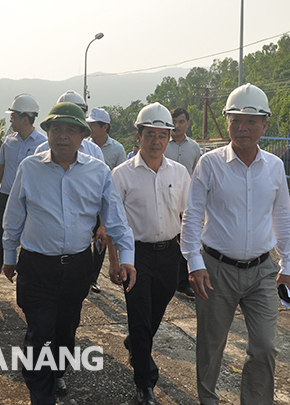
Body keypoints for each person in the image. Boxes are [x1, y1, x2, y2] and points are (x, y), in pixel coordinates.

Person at [2, 102, 136, 404]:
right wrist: (9, 257)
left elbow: (116, 221)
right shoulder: (30, 168)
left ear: (82, 135)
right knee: (39, 331)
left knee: (66, 329)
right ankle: (42, 394)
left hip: (77, 267)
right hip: (36, 267)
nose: (64, 135)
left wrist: (126, 260)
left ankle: (57, 371)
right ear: (47, 133)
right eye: (57, 129)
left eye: (71, 130)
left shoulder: (98, 172)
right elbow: (14, 217)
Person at [181, 83, 290, 405]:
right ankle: (209, 400)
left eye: (251, 121)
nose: (242, 128)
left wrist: (286, 266)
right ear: (227, 121)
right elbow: (192, 217)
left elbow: (283, 218)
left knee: (265, 346)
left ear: (265, 125)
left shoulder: (274, 167)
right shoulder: (210, 164)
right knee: (211, 344)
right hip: (216, 270)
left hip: (262, 271)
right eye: (235, 120)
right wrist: (195, 263)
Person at [110, 102, 191, 405]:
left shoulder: (180, 173)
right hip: (136, 255)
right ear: (139, 135)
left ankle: (136, 343)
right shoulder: (122, 175)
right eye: (150, 134)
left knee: (155, 314)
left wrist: (191, 258)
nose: (156, 141)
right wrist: (116, 262)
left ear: (170, 137)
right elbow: (114, 224)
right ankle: (145, 381)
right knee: (140, 314)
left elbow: (189, 216)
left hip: (170, 253)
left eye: (162, 135)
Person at [0, 93, 46, 294]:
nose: (11, 120)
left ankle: (29, 284)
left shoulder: (43, 145)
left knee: (31, 244)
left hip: (31, 202)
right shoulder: (9, 142)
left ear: (25, 118)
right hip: (6, 198)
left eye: (14, 116)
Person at [86, 107, 127, 293]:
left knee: (101, 240)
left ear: (105, 127)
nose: (90, 127)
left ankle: (92, 277)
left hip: (106, 202)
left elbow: (120, 179)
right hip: (87, 200)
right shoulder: (84, 146)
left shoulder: (117, 149)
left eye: (93, 125)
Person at [165, 107, 202, 298]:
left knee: (185, 241)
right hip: (164, 200)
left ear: (188, 123)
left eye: (181, 121)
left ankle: (182, 281)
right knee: (167, 241)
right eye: (174, 121)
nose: (177, 126)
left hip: (185, 202)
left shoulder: (194, 148)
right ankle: (167, 280)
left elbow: (197, 175)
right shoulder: (163, 144)